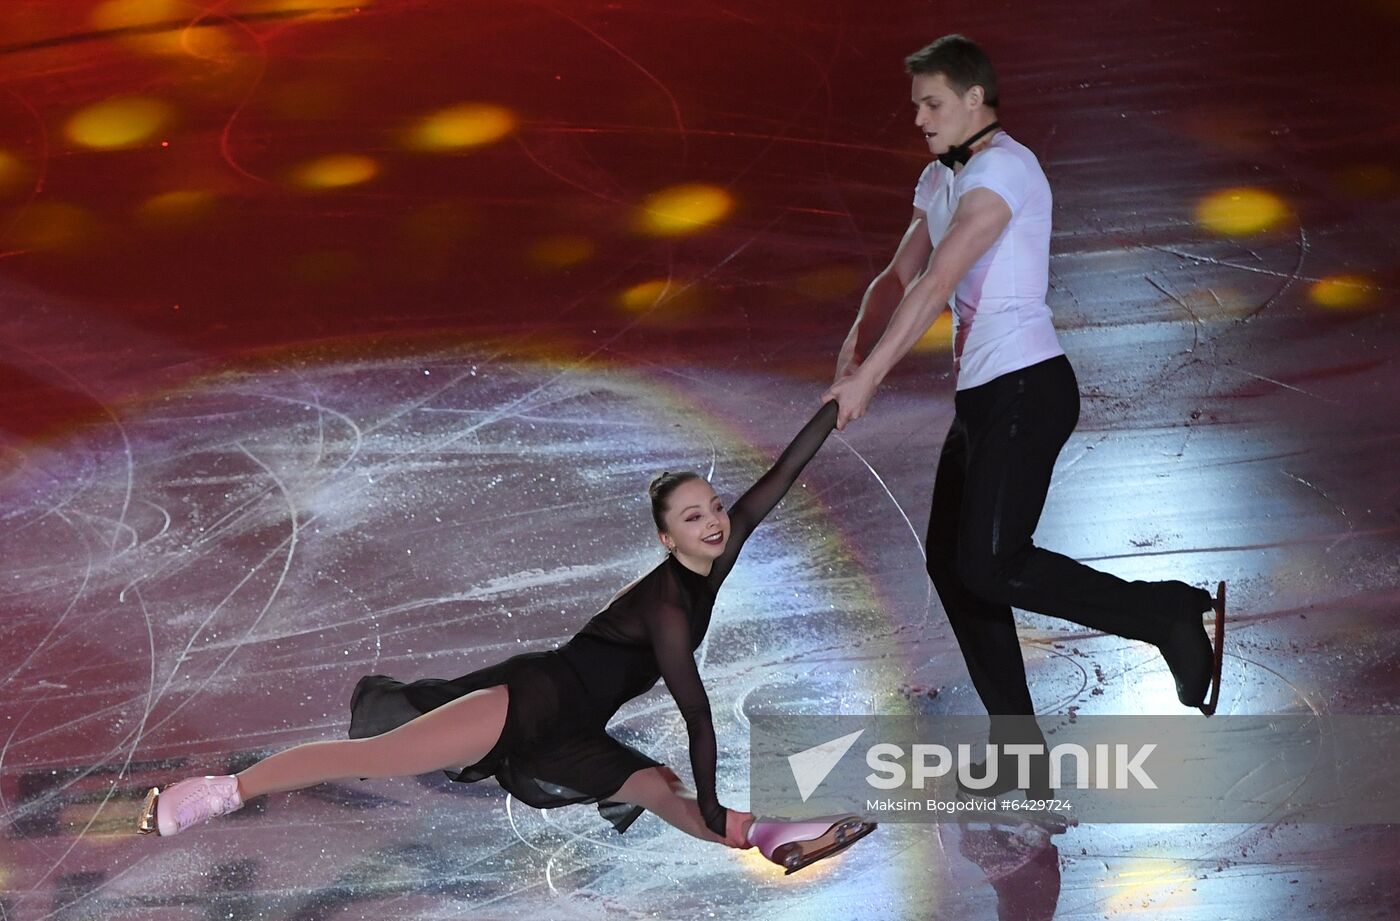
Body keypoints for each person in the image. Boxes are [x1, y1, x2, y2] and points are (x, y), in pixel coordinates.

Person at [136, 400, 875, 874]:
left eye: (714, 508)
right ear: (664, 536)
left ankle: (772, 832)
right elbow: (696, 710)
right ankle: (223, 791)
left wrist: (837, 404)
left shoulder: (716, 551)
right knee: (376, 756)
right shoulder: (667, 606)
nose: (714, 520)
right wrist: (713, 794)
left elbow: (778, 475)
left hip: (578, 729)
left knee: (660, 791)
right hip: (530, 699)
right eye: (693, 517)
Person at [822, 34, 1225, 793]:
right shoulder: (940, 178)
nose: (919, 119)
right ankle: (1019, 748)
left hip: (1027, 388)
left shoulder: (1005, 170)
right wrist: (853, 348)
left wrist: (872, 379)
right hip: (983, 400)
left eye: (932, 103)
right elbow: (899, 272)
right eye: (916, 106)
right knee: (955, 564)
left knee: (991, 562)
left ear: (975, 99)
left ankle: (1166, 616)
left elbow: (941, 278)